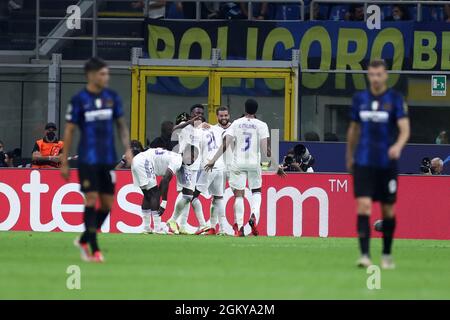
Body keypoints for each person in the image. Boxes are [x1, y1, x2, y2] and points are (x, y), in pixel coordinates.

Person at [61, 57, 132, 263]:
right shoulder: (79, 99)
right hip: (88, 159)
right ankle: (94, 249)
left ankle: (84, 238)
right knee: (91, 198)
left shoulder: (112, 97)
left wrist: (128, 149)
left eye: (107, 73)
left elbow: (121, 125)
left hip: (107, 159)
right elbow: (70, 130)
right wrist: (64, 160)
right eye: (102, 73)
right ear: (91, 75)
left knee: (107, 204)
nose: (106, 77)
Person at [346, 59, 410, 269]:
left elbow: (404, 129)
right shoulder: (359, 99)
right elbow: (354, 130)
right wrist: (349, 156)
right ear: (368, 76)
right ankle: (364, 255)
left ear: (386, 75)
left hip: (386, 162)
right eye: (371, 75)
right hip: (364, 161)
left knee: (387, 210)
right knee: (363, 205)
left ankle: (386, 253)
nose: (375, 78)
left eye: (378, 74)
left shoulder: (395, 99)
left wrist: (398, 146)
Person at [205, 99, 273, 237]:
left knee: (239, 195)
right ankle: (250, 216)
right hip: (244, 164)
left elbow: (225, 144)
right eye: (221, 116)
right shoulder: (261, 125)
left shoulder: (236, 124)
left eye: (226, 115)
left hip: (235, 165)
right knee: (254, 192)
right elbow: (266, 149)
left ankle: (240, 227)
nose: (224, 118)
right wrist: (275, 164)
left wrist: (212, 160)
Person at [131, 147, 184, 234]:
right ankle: (157, 228)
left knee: (148, 195)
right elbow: (165, 180)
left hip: (136, 160)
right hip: (144, 162)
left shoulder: (172, 155)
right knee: (154, 193)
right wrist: (164, 202)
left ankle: (147, 228)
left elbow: (164, 181)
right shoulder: (178, 160)